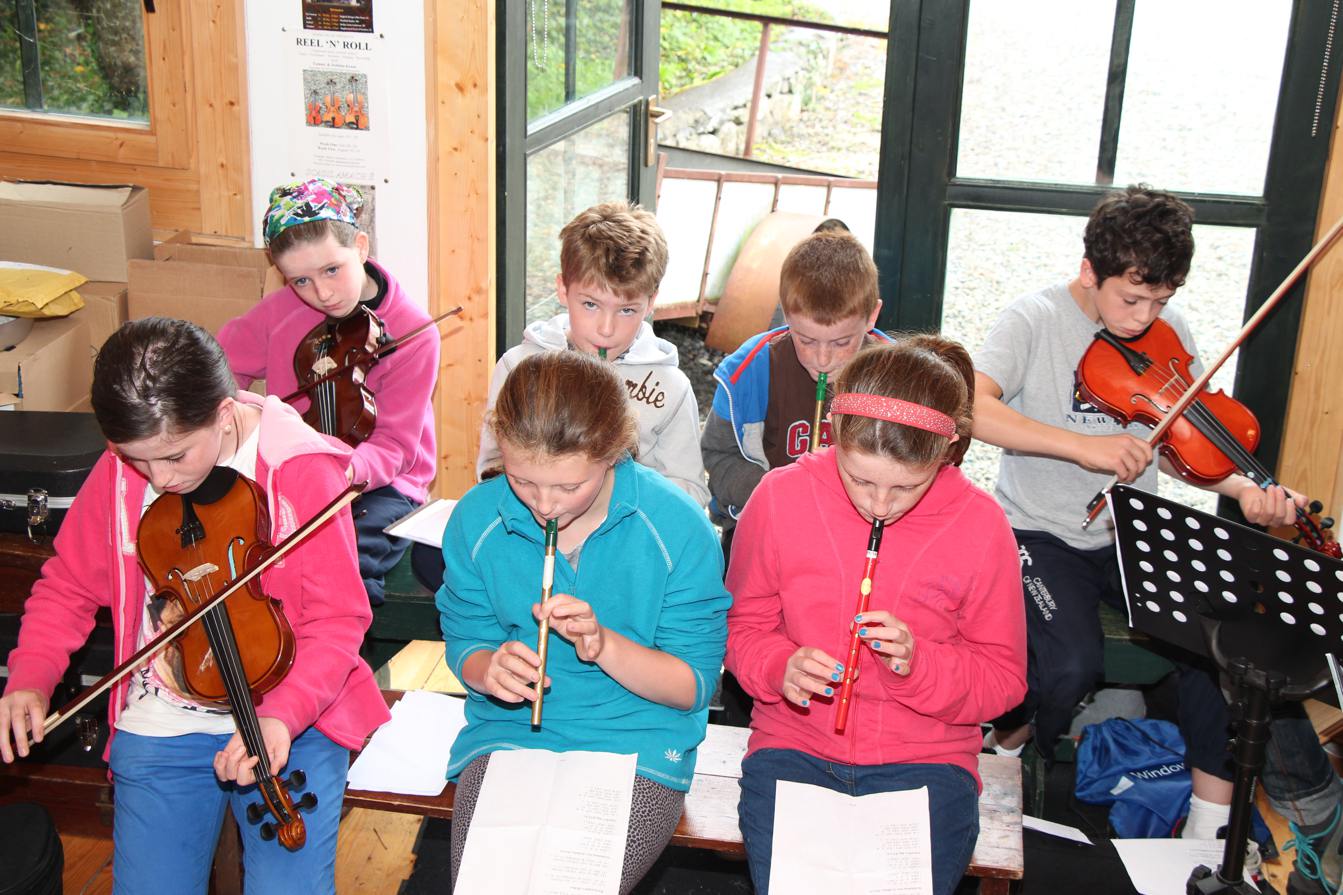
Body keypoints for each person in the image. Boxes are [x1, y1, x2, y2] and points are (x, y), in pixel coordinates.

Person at [0, 318, 389, 895]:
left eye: (175, 456)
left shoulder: (302, 469)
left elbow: (338, 621)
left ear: (224, 415)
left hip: (296, 711)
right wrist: (31, 677)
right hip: (167, 713)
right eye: (137, 459)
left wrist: (281, 715)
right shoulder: (123, 471)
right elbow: (69, 586)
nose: (159, 479)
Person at [972, 185, 1305, 838]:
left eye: (1161, 300)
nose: (1144, 316)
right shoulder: (1032, 319)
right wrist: (1081, 447)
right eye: (1131, 299)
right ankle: (1004, 745)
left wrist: (1243, 489)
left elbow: (1179, 448)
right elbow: (972, 408)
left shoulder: (1167, 332)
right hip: (1038, 532)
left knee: (1222, 646)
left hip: (1133, 530)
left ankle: (1206, 828)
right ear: (1088, 271)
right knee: (1070, 663)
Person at [725, 337, 1026, 895]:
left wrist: (919, 665)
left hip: (929, 762)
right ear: (834, 433)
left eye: (908, 485)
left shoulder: (982, 525)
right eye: (861, 479)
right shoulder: (780, 497)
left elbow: (1004, 680)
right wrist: (778, 666)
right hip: (794, 748)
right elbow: (741, 628)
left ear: (947, 451)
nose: (880, 505)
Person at [438, 351, 730, 894]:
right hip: (510, 735)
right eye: (522, 480)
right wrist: (487, 669)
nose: (544, 506)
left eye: (569, 487)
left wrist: (604, 646)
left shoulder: (677, 527)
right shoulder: (477, 519)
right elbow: (466, 636)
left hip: (639, 744)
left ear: (613, 453)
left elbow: (692, 686)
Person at [411, 199, 707, 590]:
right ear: (562, 289)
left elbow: (690, 494)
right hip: (534, 532)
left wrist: (608, 488)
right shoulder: (519, 366)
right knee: (435, 558)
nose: (606, 329)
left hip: (624, 548)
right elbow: (492, 469)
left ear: (651, 303)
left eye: (627, 311)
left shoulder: (670, 386)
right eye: (590, 304)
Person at [219, 177, 439, 606]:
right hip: (291, 468)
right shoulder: (281, 311)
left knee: (348, 561)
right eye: (300, 280)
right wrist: (238, 422)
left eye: (332, 270)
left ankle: (346, 643)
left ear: (360, 246)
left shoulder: (413, 332)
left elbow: (394, 448)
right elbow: (220, 370)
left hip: (378, 484)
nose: (321, 293)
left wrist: (340, 470)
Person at [700, 226, 893, 559]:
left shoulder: (897, 375)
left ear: (872, 316)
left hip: (861, 545)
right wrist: (781, 495)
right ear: (787, 315)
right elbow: (718, 457)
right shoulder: (750, 371)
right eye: (806, 340)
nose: (823, 359)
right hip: (765, 535)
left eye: (842, 342)